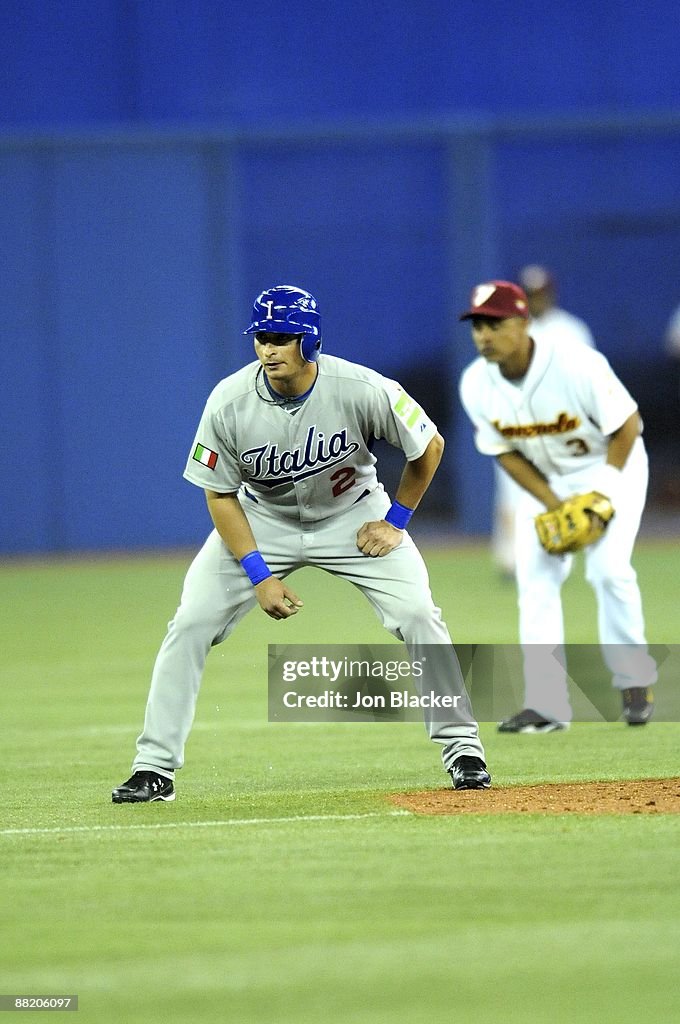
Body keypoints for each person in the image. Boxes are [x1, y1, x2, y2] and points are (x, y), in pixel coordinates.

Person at [112, 284, 490, 801]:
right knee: (191, 624)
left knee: (419, 614)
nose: (268, 349)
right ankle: (153, 767)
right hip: (262, 520)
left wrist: (396, 520)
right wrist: (259, 574)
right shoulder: (229, 401)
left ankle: (463, 748)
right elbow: (220, 495)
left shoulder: (361, 386)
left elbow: (429, 446)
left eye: (281, 338)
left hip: (353, 515)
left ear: (308, 341)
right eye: (261, 338)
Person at [458, 279, 657, 732]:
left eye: (494, 323)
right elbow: (503, 451)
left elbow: (628, 426)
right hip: (547, 484)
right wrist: (552, 504)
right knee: (535, 582)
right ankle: (546, 706)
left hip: (612, 467)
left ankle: (634, 679)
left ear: (524, 322)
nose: (483, 335)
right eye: (477, 326)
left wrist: (602, 492)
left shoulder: (574, 362)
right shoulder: (475, 382)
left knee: (608, 571)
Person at [491, 266, 597, 578]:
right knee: (511, 493)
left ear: (550, 293)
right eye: (529, 294)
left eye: (539, 293)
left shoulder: (572, 330)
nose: (536, 299)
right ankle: (510, 560)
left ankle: (557, 552)